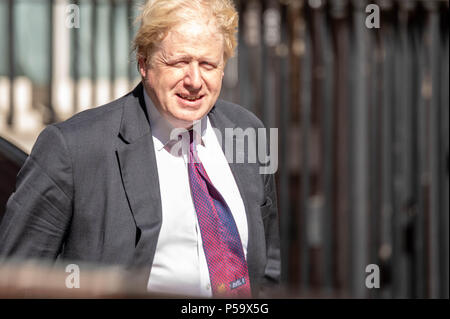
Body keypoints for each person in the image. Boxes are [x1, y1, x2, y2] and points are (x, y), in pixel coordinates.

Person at [0, 0, 280, 298]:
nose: (195, 81)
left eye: (208, 64)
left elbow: (268, 264)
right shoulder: (72, 149)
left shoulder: (247, 131)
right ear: (144, 63)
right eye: (179, 62)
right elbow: (19, 280)